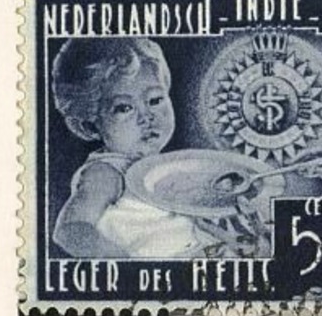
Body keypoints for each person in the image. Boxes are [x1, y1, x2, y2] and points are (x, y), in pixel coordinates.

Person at [50, 38, 218, 259]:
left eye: (155, 100)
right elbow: (69, 230)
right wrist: (126, 267)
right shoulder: (106, 172)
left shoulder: (160, 164)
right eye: (124, 108)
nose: (147, 116)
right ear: (90, 124)